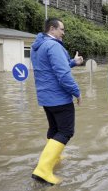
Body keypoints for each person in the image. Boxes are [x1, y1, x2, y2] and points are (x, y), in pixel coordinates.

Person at [30, 18, 83, 185]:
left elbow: (52, 68)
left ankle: (55, 157)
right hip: (59, 97)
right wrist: (77, 92)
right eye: (61, 29)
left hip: (46, 97)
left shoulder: (38, 46)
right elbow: (63, 75)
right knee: (66, 131)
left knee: (54, 128)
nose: (63, 32)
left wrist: (73, 62)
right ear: (52, 29)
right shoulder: (53, 46)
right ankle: (43, 170)